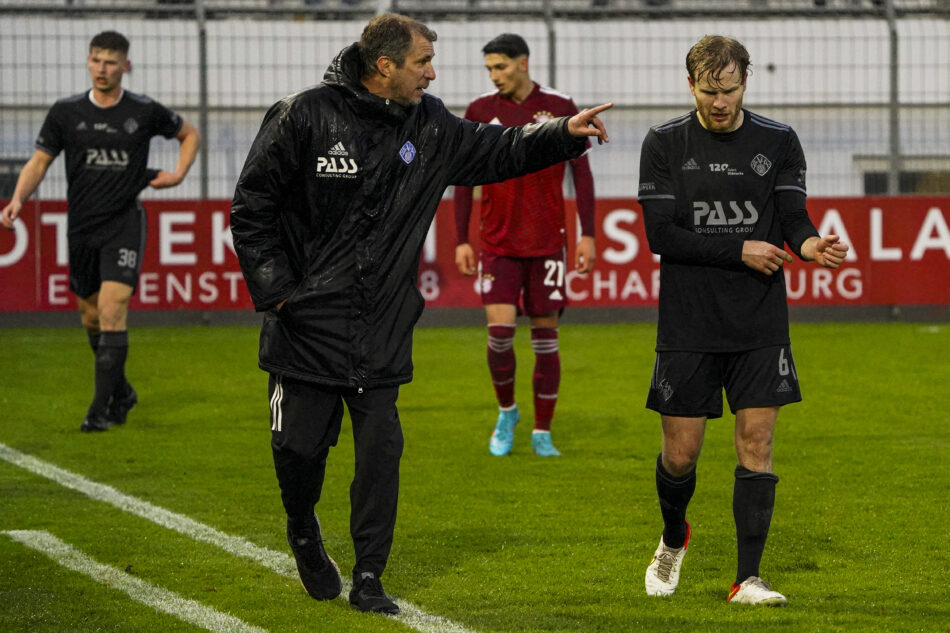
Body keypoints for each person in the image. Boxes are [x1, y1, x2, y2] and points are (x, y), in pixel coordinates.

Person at [230, 13, 610, 616]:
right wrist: (279, 294)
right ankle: (302, 528)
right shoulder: (302, 115)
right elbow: (252, 208)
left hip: (382, 324)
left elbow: (499, 149)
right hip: (304, 326)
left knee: (381, 455)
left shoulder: (430, 124)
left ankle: (369, 575)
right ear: (384, 66)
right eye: (422, 63)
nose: (432, 75)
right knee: (299, 452)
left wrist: (563, 131)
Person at [636, 35, 848, 606]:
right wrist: (740, 249)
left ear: (745, 82)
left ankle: (747, 579)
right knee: (680, 456)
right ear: (690, 85)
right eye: (709, 91)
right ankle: (674, 537)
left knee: (757, 443)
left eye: (729, 89)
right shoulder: (663, 143)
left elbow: (793, 218)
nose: (720, 101)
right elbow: (661, 235)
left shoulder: (778, 141)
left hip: (759, 319)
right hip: (688, 321)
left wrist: (810, 246)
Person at [1, 30, 200, 433]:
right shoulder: (65, 112)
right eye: (96, 60)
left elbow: (189, 134)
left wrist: (179, 174)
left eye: (110, 62)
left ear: (125, 65)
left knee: (112, 309)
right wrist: (18, 198)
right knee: (90, 316)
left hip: (124, 223)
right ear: (88, 62)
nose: (102, 69)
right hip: (81, 227)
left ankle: (98, 411)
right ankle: (122, 392)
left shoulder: (143, 111)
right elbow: (39, 162)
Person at [454, 33, 597, 458]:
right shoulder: (480, 111)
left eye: (500, 66)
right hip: (497, 242)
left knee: (545, 339)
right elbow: (463, 178)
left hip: (547, 242)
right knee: (499, 335)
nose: (494, 75)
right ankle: (507, 411)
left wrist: (588, 233)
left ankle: (542, 431)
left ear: (523, 63)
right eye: (489, 69)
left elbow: (581, 174)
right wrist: (461, 239)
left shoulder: (559, 105)